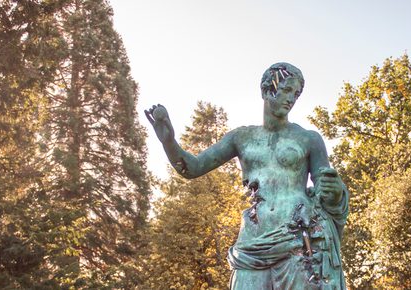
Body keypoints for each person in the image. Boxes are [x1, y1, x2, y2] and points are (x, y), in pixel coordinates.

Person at [145, 62, 348, 289]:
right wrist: (169, 143)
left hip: (297, 241)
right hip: (252, 244)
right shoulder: (241, 138)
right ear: (265, 89)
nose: (291, 98)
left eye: (296, 94)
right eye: (286, 90)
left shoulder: (309, 139)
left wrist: (335, 192)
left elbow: (326, 190)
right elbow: (192, 168)